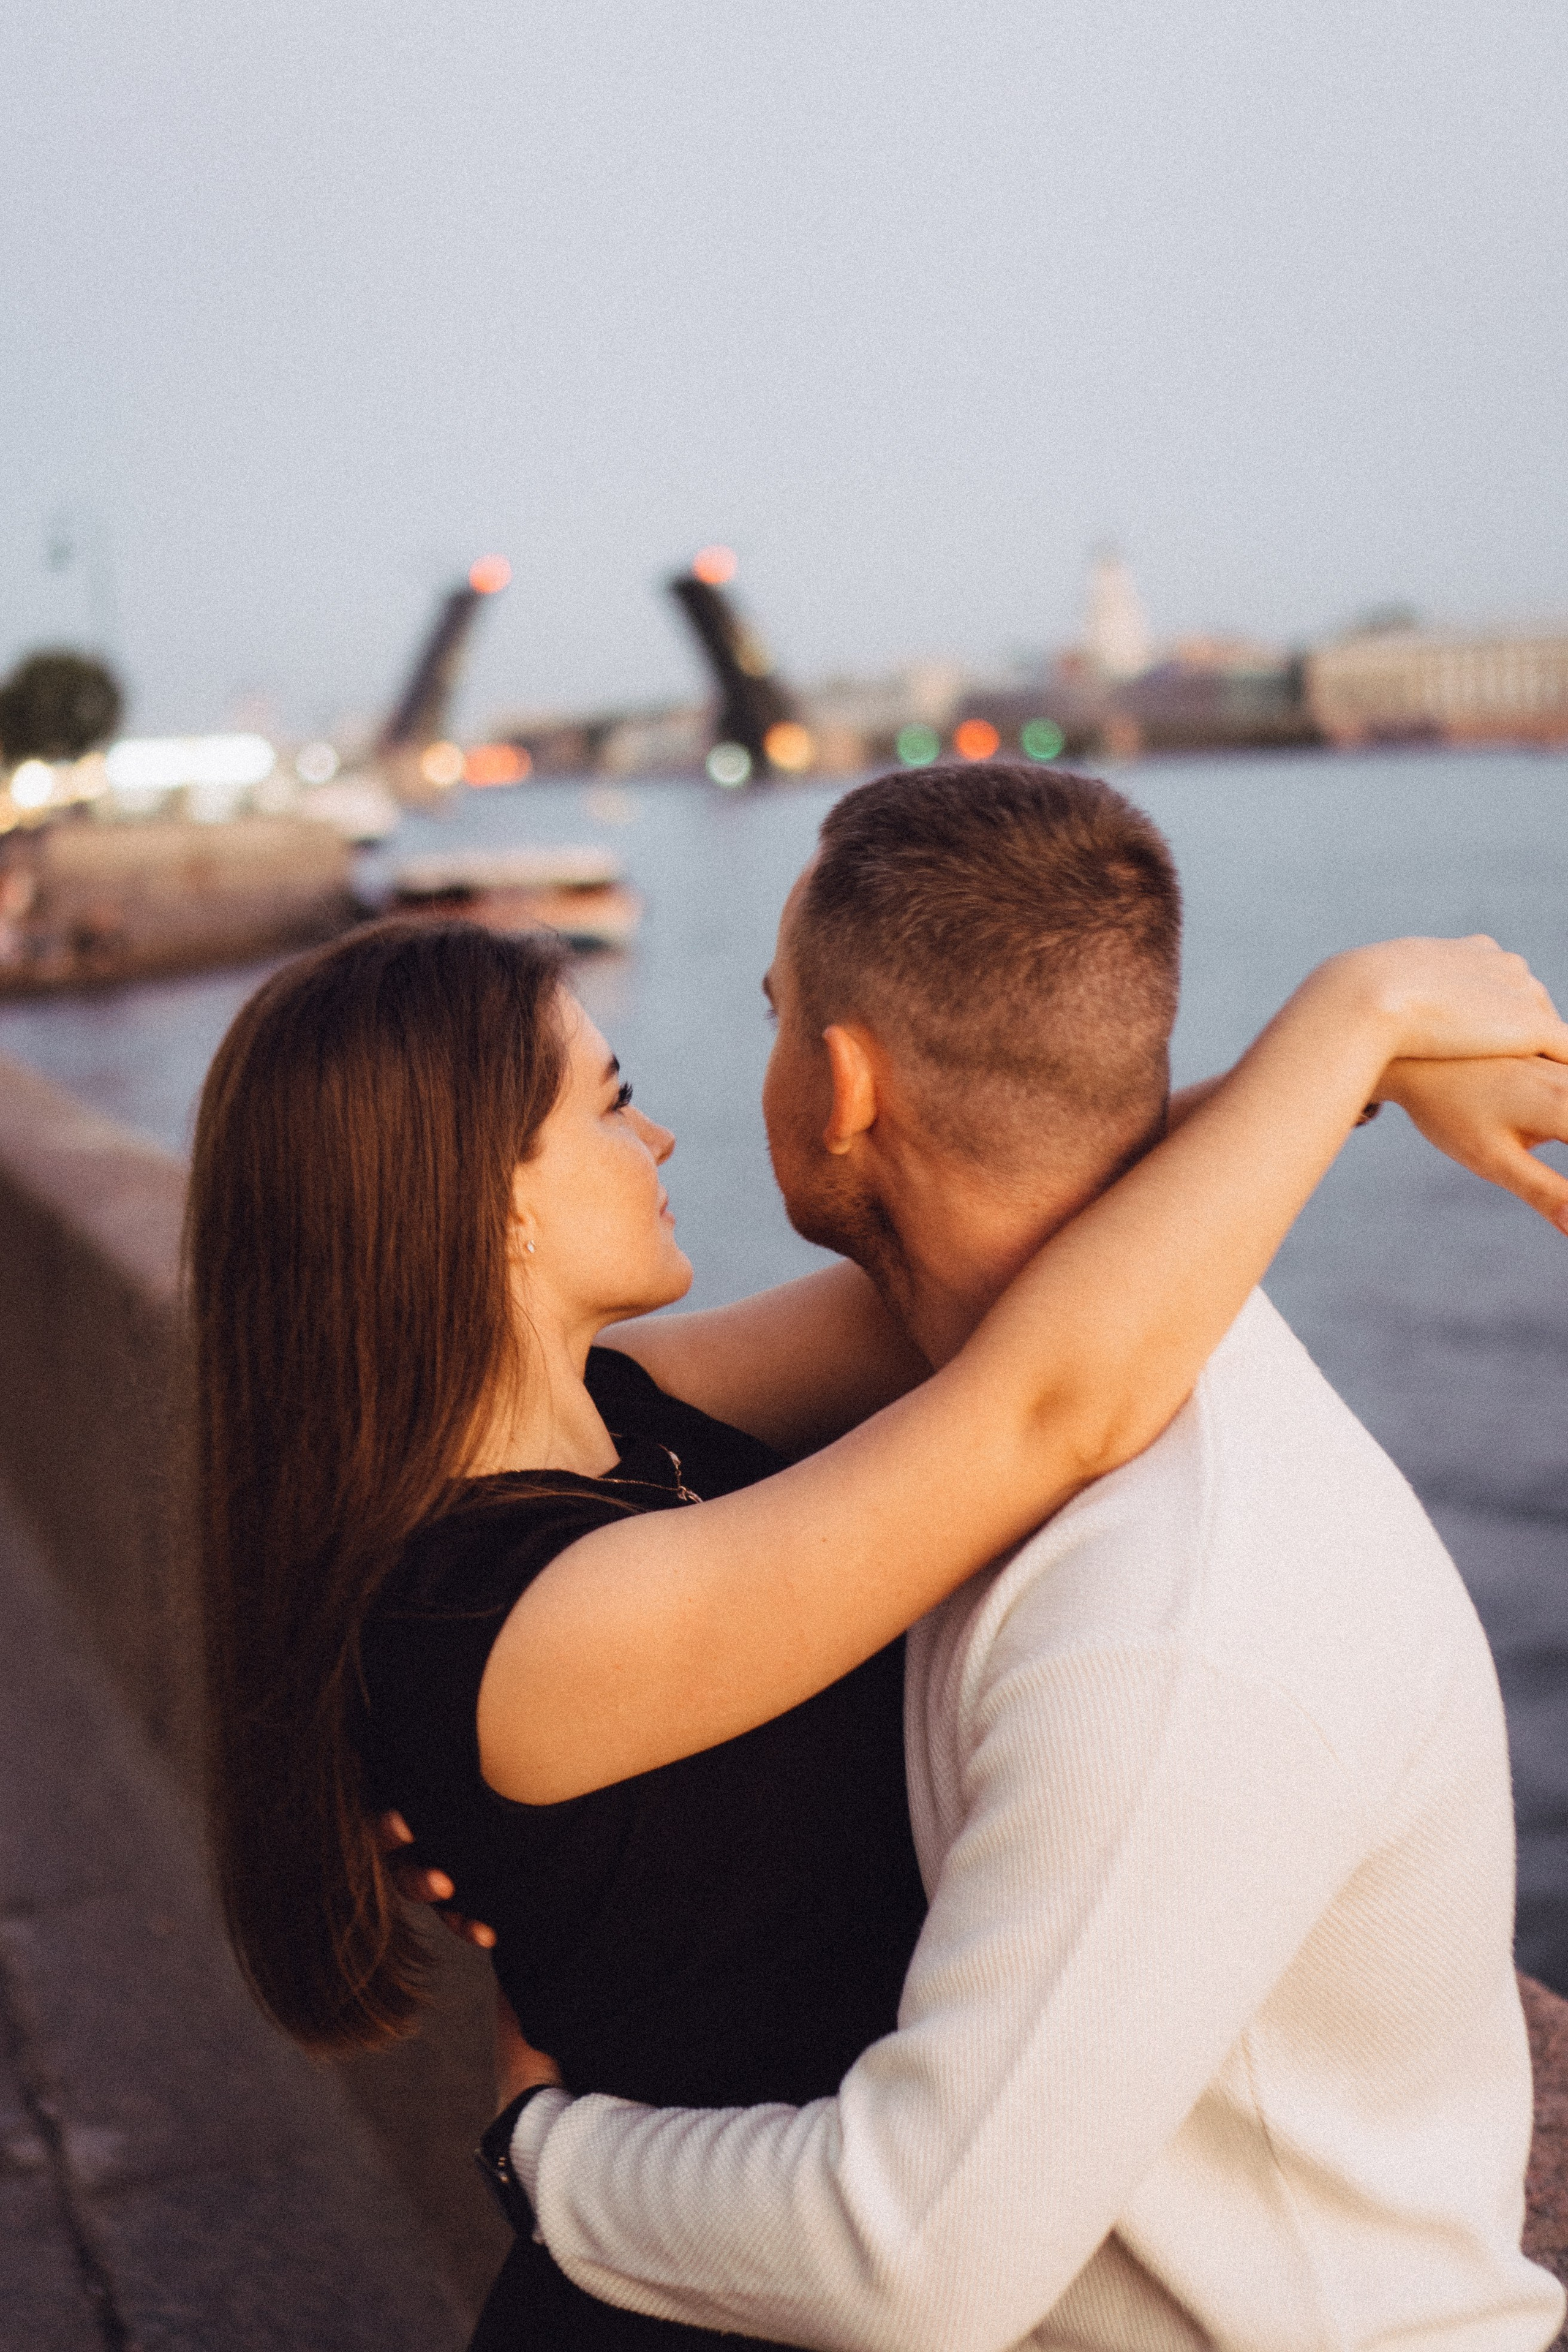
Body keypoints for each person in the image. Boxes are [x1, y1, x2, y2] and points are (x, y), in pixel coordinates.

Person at [189, 765, 1568, 2349]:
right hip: (712, 2302)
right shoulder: (510, 1624)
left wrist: (1364, 1082)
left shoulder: (628, 1420)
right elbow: (1045, 1399)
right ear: (486, 1198)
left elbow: (1034, 1220)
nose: (665, 1128)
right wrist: (1360, 1010)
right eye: (611, 1096)